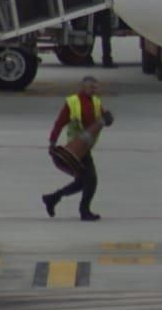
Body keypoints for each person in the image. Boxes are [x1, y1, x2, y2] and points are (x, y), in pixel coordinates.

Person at [43, 75, 111, 221]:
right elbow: (59, 123)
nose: (95, 90)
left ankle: (52, 198)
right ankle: (84, 211)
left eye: (96, 87)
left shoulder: (96, 101)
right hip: (76, 149)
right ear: (83, 87)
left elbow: (102, 120)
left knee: (82, 182)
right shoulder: (72, 102)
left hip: (86, 146)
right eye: (92, 87)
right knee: (91, 179)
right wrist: (52, 142)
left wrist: (108, 119)